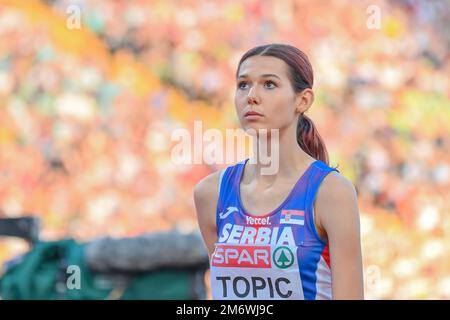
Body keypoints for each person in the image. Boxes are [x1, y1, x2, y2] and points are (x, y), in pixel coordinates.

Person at [194, 43, 364, 300]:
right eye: (243, 84)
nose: (252, 95)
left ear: (302, 100)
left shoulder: (331, 192)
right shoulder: (210, 193)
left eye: (269, 84)